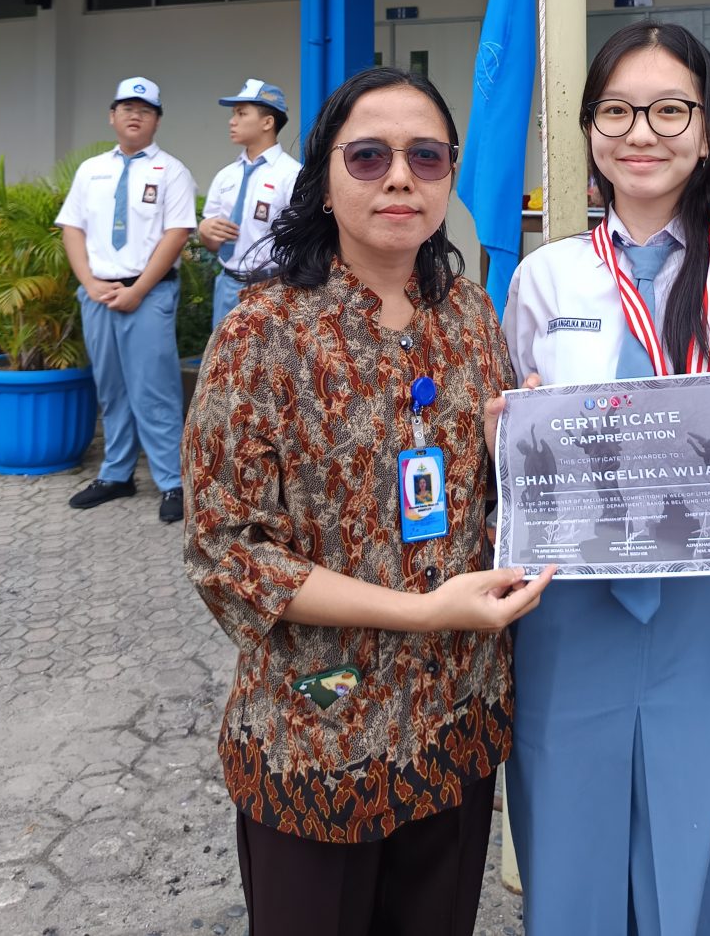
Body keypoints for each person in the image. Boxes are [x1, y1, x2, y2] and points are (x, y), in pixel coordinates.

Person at [182, 67, 555, 936]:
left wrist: (536, 449)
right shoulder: (262, 331)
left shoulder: (468, 316)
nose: (399, 177)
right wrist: (424, 612)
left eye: (426, 156)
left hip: (455, 722)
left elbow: (495, 497)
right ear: (323, 177)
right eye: (369, 155)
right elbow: (227, 552)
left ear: (451, 174)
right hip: (320, 731)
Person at [502, 22, 710, 936]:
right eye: (617, 110)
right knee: (570, 852)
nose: (643, 131)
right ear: (592, 132)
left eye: (670, 108)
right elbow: (523, 449)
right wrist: (508, 443)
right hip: (572, 606)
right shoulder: (543, 279)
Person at [56, 76, 197, 524]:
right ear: (112, 116)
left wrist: (138, 290)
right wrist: (90, 284)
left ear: (156, 120)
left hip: (148, 292)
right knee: (112, 387)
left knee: (155, 388)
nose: (134, 115)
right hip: (97, 292)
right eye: (126, 107)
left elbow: (177, 234)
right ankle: (116, 474)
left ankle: (173, 481)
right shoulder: (90, 170)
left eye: (145, 109)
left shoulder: (171, 170)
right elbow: (72, 228)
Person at [198, 78, 301, 328]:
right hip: (227, 285)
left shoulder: (293, 175)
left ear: (268, 122)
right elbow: (210, 240)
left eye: (242, 113)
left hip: (272, 287)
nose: (232, 121)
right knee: (222, 363)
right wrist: (205, 231)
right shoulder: (226, 175)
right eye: (234, 114)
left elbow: (303, 240)